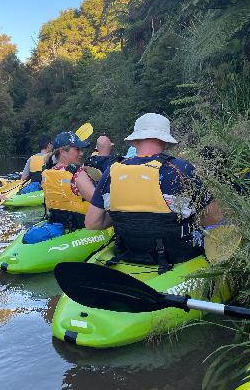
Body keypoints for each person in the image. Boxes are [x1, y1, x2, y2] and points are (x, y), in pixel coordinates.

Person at [85, 113, 223, 272]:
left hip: (127, 253)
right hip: (178, 256)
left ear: (135, 141)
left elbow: (92, 223)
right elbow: (215, 218)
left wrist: (125, 215)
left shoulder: (111, 171)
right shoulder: (182, 169)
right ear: (165, 142)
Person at [41, 131, 96, 230]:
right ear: (62, 152)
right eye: (77, 149)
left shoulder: (47, 171)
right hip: (82, 225)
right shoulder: (77, 173)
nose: (81, 153)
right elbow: (98, 201)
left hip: (57, 222)